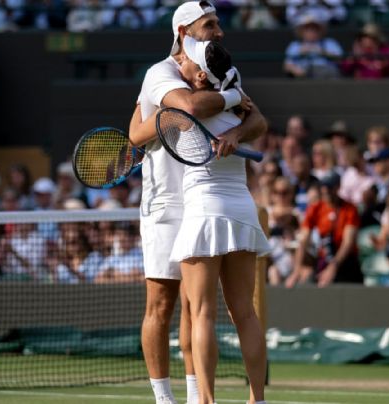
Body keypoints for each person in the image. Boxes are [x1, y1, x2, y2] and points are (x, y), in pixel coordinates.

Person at [126, 2, 267, 403]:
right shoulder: (160, 74)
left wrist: (236, 131)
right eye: (210, 24)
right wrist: (230, 99)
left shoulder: (223, 72)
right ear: (184, 32)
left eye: (219, 23)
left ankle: (195, 397)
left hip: (204, 201)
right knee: (163, 302)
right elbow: (177, 112)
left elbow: (258, 120)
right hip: (166, 201)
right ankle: (163, 398)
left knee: (197, 307)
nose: (219, 30)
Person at [161, 36, 269, 404]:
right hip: (241, 208)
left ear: (202, 76)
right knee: (245, 313)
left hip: (205, 212)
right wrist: (237, 119)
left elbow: (145, 130)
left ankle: (206, 400)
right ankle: (257, 398)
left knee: (202, 312)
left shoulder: (185, 105)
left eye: (186, 62)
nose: (179, 64)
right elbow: (259, 119)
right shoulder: (238, 105)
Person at [287, 173, 362, 288]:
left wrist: (333, 267)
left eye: (330, 187)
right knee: (312, 282)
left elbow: (348, 243)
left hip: (345, 260)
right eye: (324, 187)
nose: (326, 190)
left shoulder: (349, 210)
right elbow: (303, 240)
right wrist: (296, 270)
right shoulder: (315, 208)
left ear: (337, 187)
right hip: (325, 257)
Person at [283, 14, 342, 79]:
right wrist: (296, 68)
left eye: (314, 29)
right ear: (301, 31)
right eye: (308, 29)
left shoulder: (330, 43)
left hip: (326, 74)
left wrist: (322, 52)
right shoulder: (295, 45)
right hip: (304, 75)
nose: (311, 32)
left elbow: (340, 59)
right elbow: (287, 66)